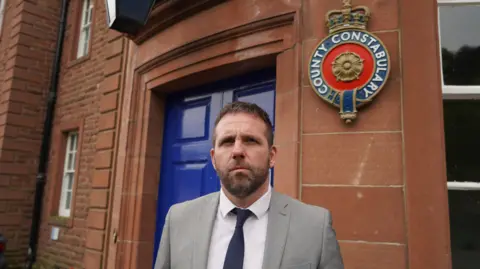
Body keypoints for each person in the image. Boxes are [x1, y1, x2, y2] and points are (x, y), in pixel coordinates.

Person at [154, 101, 344, 269]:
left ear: (272, 156)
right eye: (227, 141)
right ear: (213, 159)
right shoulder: (178, 220)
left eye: (250, 140)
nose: (237, 151)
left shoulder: (315, 226)